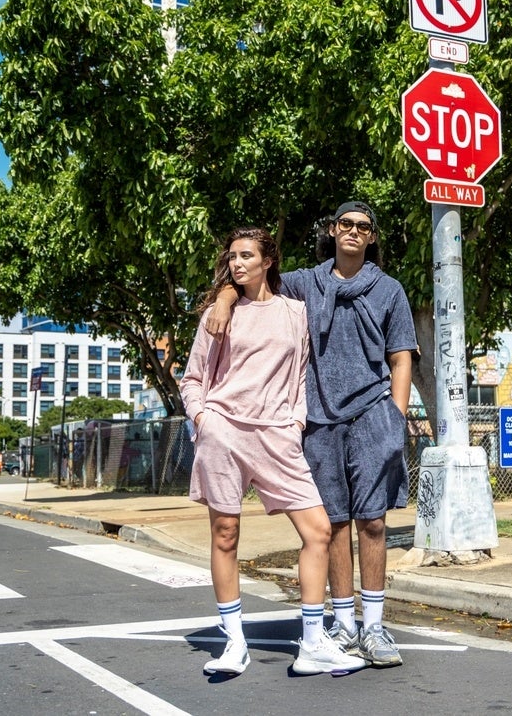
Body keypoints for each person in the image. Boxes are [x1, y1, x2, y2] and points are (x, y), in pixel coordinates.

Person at [208, 204, 417, 668]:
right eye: (346, 224)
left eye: (363, 226)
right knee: (334, 523)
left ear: (372, 237)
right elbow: (254, 274)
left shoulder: (389, 290)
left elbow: (401, 356)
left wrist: (395, 418)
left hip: (372, 414)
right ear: (332, 230)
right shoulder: (307, 282)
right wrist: (223, 299)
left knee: (374, 522)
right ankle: (342, 625)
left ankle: (374, 626)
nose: (354, 231)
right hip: (318, 421)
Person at [180, 226, 365, 678]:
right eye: (232, 257)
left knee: (318, 530)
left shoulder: (294, 311)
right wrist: (204, 420)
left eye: (246, 256)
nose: (237, 263)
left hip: (278, 436)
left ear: (268, 261)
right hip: (224, 432)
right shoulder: (219, 314)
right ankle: (234, 643)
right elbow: (193, 379)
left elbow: (300, 375)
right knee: (225, 534)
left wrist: (295, 423)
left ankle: (313, 644)